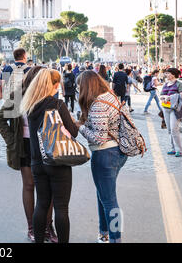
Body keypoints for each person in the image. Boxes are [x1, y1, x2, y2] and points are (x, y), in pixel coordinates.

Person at [0, 66, 57, 243]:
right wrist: (12, 141)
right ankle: (32, 226)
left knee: (49, 188)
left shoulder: (48, 95)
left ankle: (48, 225)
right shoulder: (18, 95)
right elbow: (0, 120)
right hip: (25, 146)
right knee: (29, 185)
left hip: (47, 145)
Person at [21, 69, 79, 243]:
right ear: (54, 85)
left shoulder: (30, 106)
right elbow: (73, 132)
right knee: (61, 208)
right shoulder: (58, 105)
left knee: (41, 204)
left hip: (37, 162)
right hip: (57, 161)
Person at [77, 70, 127, 243]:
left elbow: (99, 137)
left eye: (79, 87)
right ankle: (104, 232)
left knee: (109, 200)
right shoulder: (110, 96)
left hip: (105, 153)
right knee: (104, 195)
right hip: (117, 152)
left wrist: (80, 126)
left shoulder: (98, 104)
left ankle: (115, 238)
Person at [160, 68, 182, 157]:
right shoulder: (166, 84)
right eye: (166, 73)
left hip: (175, 109)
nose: (166, 75)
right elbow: (161, 94)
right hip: (165, 108)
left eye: (168, 73)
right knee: (169, 130)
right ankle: (173, 148)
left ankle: (179, 150)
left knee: (174, 129)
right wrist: (163, 97)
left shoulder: (179, 84)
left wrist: (170, 97)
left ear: (173, 75)